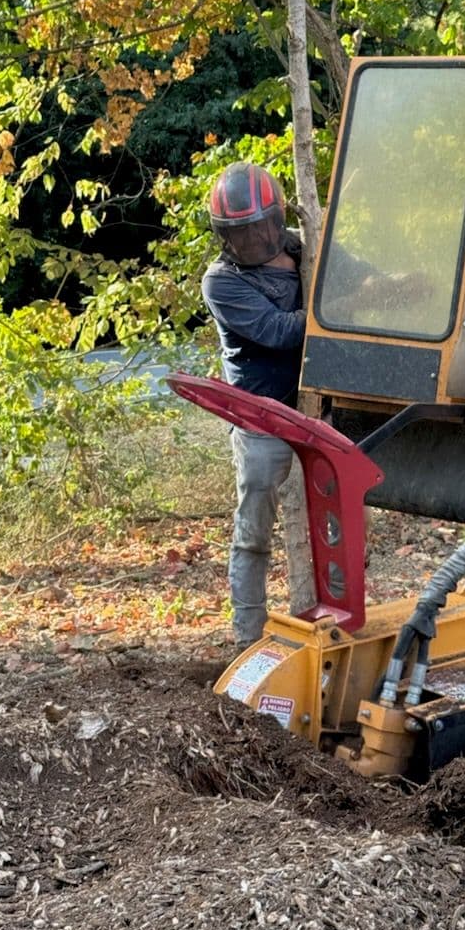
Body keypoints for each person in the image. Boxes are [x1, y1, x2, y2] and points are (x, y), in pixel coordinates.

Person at [201, 161, 305, 651]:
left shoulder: (307, 247)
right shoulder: (221, 282)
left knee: (340, 520)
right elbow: (279, 333)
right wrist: (337, 311)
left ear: (279, 218)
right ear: (225, 236)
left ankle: (327, 621)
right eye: (242, 233)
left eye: (264, 227)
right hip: (260, 418)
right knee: (254, 525)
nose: (256, 240)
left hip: (315, 407)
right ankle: (248, 638)